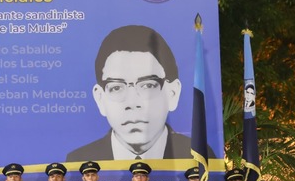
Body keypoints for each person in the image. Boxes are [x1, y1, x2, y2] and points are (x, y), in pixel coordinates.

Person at [67, 25, 217, 161]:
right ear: (100, 98)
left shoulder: (198, 157)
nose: (132, 103)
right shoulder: (79, 161)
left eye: (148, 85)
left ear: (172, 93)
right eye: (116, 88)